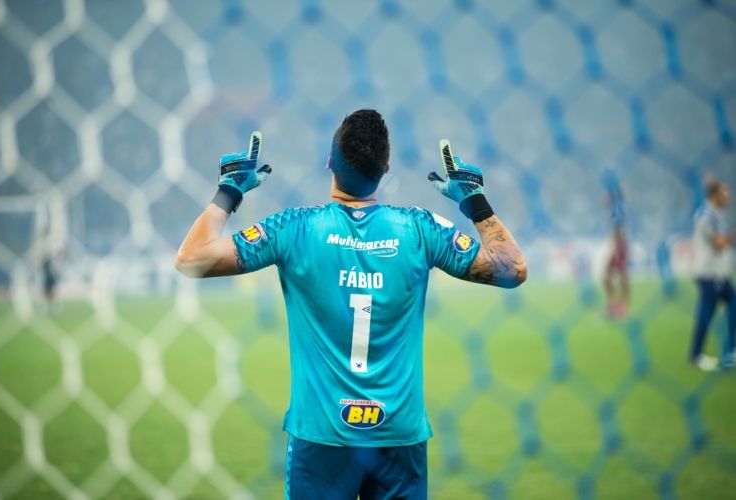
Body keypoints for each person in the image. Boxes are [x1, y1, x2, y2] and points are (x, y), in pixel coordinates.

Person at [175, 110, 526, 499]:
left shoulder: (294, 228)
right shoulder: (419, 228)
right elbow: (512, 269)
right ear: (386, 167)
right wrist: (474, 199)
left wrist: (230, 191)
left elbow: (191, 259)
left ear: (329, 162)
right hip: (399, 439)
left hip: (322, 437)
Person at [689, 178, 736, 371]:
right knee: (706, 313)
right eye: (725, 192)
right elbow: (719, 243)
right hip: (709, 273)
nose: (729, 196)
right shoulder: (708, 216)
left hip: (718, 273)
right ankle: (697, 355)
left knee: (732, 303)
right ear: (715, 195)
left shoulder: (714, 214)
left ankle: (729, 350)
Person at [602, 172, 629, 319]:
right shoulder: (617, 207)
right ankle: (617, 305)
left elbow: (618, 229)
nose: (604, 198)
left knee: (612, 275)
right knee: (618, 275)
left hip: (619, 245)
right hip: (619, 244)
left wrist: (617, 249)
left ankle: (619, 306)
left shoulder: (615, 209)